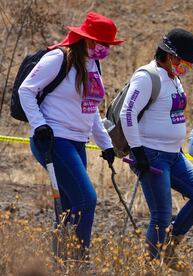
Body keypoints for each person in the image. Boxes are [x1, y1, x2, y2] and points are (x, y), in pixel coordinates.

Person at [19, 12, 123, 257]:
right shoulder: (58, 58)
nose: (106, 49)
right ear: (88, 40)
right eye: (103, 44)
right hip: (54, 140)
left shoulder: (92, 64)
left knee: (66, 209)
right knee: (86, 199)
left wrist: (106, 144)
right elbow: (26, 90)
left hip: (77, 142)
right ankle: (79, 260)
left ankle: (58, 262)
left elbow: (92, 109)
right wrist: (39, 124)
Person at [119, 28, 193, 268]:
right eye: (184, 61)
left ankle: (170, 246)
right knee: (161, 215)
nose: (187, 67)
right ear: (170, 55)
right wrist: (138, 151)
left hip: (174, 155)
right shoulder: (147, 76)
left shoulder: (173, 78)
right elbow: (127, 113)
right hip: (151, 155)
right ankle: (149, 267)